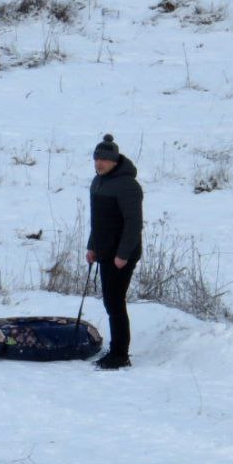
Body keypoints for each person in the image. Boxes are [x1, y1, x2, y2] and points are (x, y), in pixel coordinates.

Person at [86, 134, 144, 369]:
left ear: (115, 161)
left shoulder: (128, 186)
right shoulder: (98, 181)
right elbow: (97, 221)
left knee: (115, 303)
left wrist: (123, 255)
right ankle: (117, 349)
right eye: (96, 159)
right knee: (111, 302)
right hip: (105, 251)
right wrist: (92, 246)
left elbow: (133, 223)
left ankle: (120, 354)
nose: (99, 163)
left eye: (103, 160)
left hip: (122, 254)